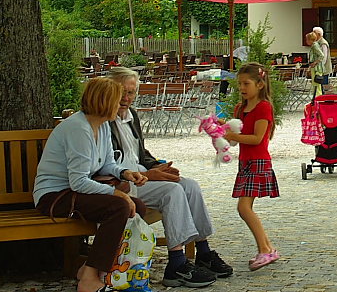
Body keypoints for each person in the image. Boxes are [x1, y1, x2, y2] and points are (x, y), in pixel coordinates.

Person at [106, 67, 230, 287]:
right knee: (172, 191)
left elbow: (139, 153)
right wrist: (149, 174)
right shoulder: (104, 118)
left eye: (131, 92)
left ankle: (203, 251)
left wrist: (158, 167)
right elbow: (108, 165)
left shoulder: (131, 115)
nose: (126, 98)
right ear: (109, 90)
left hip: (142, 175)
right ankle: (176, 264)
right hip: (122, 182)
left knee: (190, 185)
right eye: (121, 92)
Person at [33, 77, 149, 292]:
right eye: (116, 100)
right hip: (54, 196)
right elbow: (78, 182)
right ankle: (89, 278)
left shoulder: (102, 126)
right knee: (120, 206)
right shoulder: (78, 128)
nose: (121, 103)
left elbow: (107, 164)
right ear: (104, 102)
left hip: (75, 192)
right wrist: (118, 194)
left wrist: (125, 173)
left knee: (138, 206)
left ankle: (98, 268)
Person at [224, 62, 280, 271]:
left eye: (246, 83)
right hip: (245, 162)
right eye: (239, 84)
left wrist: (233, 135)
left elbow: (257, 138)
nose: (242, 88)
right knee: (245, 207)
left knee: (244, 207)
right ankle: (268, 248)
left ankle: (264, 249)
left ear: (260, 84)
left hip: (258, 161)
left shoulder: (263, 107)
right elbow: (237, 137)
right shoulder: (241, 108)